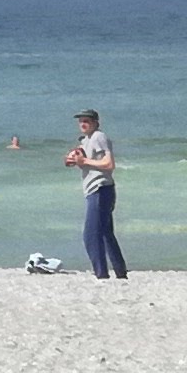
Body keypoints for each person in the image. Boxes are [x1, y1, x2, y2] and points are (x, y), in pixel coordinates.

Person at [63, 110, 126, 278]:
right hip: (96, 189)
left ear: (96, 122)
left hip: (100, 188)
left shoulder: (99, 137)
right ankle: (120, 273)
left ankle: (101, 274)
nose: (83, 124)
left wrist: (84, 161)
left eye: (87, 121)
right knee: (105, 233)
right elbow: (81, 159)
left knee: (90, 234)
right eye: (81, 121)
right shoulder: (86, 140)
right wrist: (73, 159)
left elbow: (109, 164)